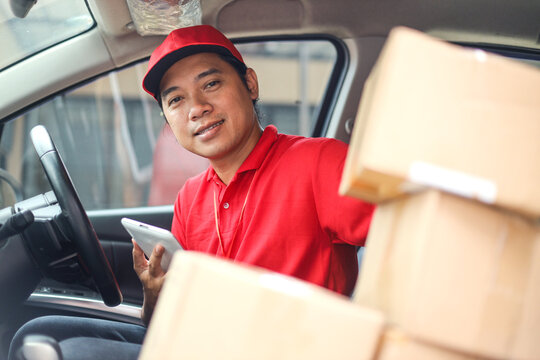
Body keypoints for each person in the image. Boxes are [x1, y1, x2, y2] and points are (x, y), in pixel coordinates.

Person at [8, 25, 374, 360]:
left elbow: (408, 250)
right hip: (203, 344)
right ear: (168, 120)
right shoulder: (191, 197)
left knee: (68, 354)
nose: (197, 108)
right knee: (37, 331)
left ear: (250, 84)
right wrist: (154, 292)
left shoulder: (318, 162)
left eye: (211, 84)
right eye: (176, 100)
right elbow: (164, 322)